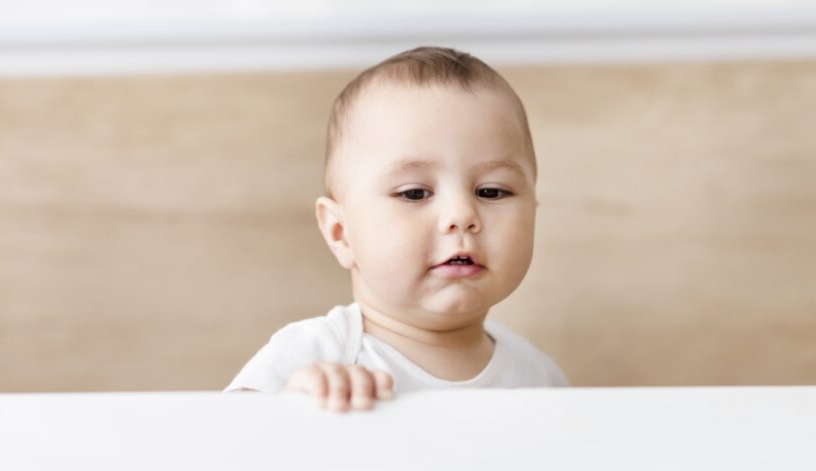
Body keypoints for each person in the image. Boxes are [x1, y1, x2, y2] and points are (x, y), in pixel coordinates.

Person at [226, 46, 567, 411]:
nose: (461, 214)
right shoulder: (316, 355)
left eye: (491, 191)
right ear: (341, 233)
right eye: (415, 193)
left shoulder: (539, 377)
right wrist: (291, 407)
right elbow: (222, 440)